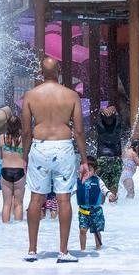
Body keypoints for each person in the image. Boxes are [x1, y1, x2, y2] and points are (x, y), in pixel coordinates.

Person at [21, 56, 90, 263]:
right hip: (63, 147)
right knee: (63, 199)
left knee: (36, 198)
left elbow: (25, 131)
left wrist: (24, 157)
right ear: (59, 70)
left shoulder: (31, 95)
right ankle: (63, 251)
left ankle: (32, 250)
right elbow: (78, 130)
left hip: (40, 146)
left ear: (41, 73)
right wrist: (85, 159)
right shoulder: (71, 95)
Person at [0, 114, 27, 223]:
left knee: (6, 203)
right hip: (19, 171)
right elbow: (26, 155)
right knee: (18, 203)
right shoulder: (23, 139)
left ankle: (5, 231)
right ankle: (18, 230)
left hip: (5, 171)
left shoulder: (2, 138)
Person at [96, 105, 125, 202]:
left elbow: (98, 119)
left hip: (102, 159)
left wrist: (101, 111)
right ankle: (113, 207)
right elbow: (119, 119)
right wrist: (115, 110)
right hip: (115, 159)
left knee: (102, 186)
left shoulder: (100, 128)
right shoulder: (117, 128)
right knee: (114, 185)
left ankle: (101, 208)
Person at [77, 156, 106, 250]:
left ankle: (98, 248)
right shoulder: (78, 181)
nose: (86, 172)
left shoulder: (98, 180)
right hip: (83, 211)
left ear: (95, 170)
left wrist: (109, 195)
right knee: (82, 230)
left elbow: (104, 189)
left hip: (96, 211)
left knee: (96, 231)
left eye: (89, 170)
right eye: (84, 170)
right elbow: (70, 192)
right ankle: (82, 250)